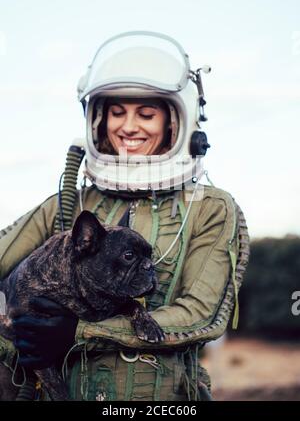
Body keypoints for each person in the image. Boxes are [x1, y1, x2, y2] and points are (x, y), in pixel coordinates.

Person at [0, 31, 250, 401]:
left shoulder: (209, 208)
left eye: (146, 114)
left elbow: (201, 314)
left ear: (175, 123)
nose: (128, 127)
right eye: (117, 112)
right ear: (99, 120)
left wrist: (79, 331)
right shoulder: (67, 201)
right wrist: (16, 329)